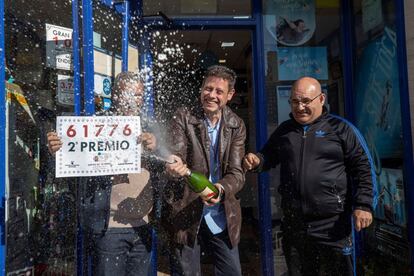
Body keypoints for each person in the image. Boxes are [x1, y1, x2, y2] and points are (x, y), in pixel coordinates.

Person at [243, 77, 375, 275]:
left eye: (306, 101)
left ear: (321, 99)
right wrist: (257, 160)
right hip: (295, 226)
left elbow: (363, 168)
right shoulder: (285, 130)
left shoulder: (341, 129)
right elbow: (268, 156)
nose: (300, 107)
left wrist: (364, 205)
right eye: (295, 102)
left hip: (333, 226)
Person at [47, 71, 158, 276]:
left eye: (139, 95)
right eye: (128, 94)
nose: (134, 100)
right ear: (115, 96)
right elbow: (74, 163)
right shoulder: (96, 125)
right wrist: (57, 150)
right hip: (110, 228)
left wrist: (155, 147)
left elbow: (166, 166)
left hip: (143, 225)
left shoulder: (150, 127)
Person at [161, 65, 246, 276]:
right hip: (186, 209)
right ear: (201, 89)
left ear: (230, 95)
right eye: (208, 89)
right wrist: (174, 165)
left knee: (232, 272)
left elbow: (237, 172)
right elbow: (177, 153)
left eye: (219, 91)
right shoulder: (184, 116)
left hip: (222, 213)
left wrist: (220, 189)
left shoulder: (236, 124)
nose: (212, 95)